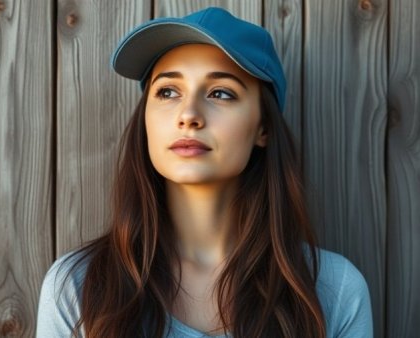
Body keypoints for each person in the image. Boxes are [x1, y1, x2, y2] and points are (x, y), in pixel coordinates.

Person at [36, 7, 372, 338]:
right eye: (168, 91)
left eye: (220, 93)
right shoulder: (77, 287)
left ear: (263, 127)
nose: (189, 115)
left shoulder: (333, 291)